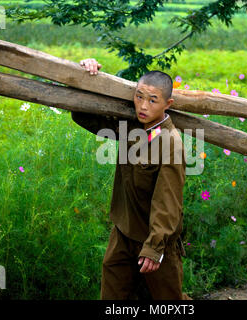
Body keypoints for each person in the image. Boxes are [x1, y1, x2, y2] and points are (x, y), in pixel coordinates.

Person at [71, 58, 191, 300]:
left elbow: (167, 202)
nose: (143, 106)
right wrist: (85, 76)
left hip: (156, 240)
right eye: (138, 97)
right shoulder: (133, 127)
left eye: (152, 100)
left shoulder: (170, 143)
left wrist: (154, 246)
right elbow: (84, 117)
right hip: (123, 232)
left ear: (168, 104)